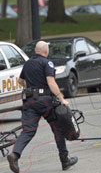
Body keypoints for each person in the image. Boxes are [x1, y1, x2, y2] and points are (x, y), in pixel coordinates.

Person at [7, 41, 78, 173]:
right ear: (46, 51)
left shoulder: (28, 63)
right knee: (58, 128)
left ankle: (15, 155)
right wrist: (62, 99)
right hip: (45, 101)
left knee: (28, 130)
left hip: (29, 101)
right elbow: (51, 82)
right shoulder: (47, 63)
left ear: (35, 51)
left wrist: (32, 86)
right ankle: (65, 160)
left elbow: (20, 81)